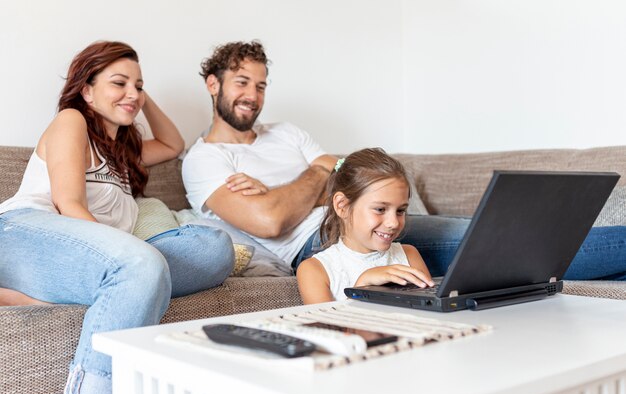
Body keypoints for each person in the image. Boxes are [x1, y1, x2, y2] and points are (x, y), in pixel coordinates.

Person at [182, 40, 626, 281]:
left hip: (361, 215)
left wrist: (307, 179)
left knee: (491, 231)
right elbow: (271, 222)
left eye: (261, 85)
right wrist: (317, 175)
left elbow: (341, 170)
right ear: (212, 85)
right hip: (324, 243)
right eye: (242, 82)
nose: (253, 95)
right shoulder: (204, 159)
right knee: (497, 245)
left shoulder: (287, 133)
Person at [0, 41, 235, 394]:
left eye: (139, 85)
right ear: (87, 90)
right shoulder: (71, 121)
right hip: (24, 236)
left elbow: (173, 145)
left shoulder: (124, 153)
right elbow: (69, 205)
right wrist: (131, 258)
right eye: (118, 83)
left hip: (90, 260)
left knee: (215, 247)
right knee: (142, 265)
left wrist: (136, 96)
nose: (132, 93)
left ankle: (78, 290)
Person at [297, 148, 435, 304]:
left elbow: (428, 316)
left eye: (400, 210)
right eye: (380, 209)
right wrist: (361, 287)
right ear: (342, 206)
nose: (394, 223)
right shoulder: (315, 270)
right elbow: (325, 327)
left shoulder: (409, 255)